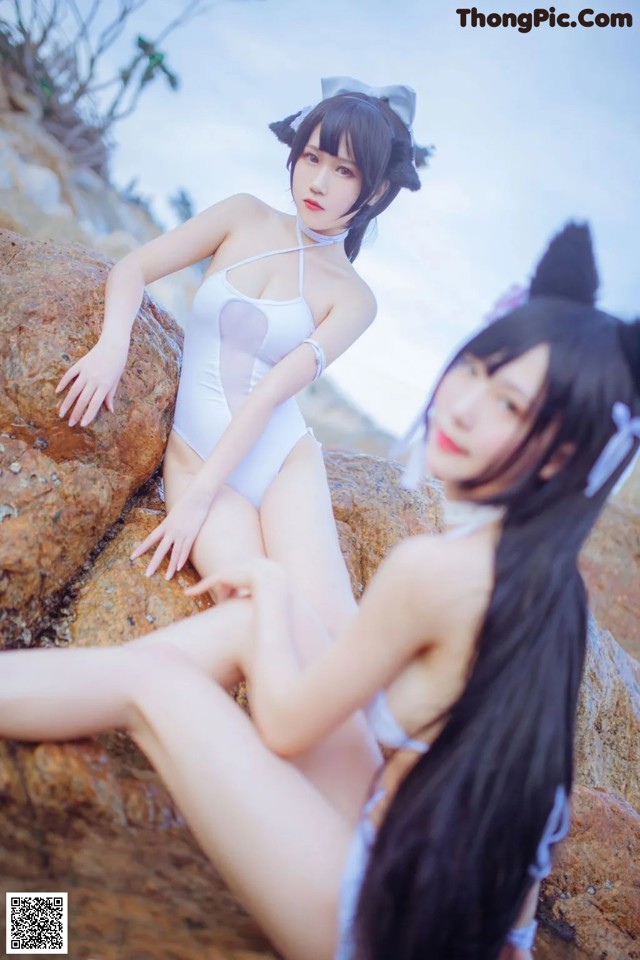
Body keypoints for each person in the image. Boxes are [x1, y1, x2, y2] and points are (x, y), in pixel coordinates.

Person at [4, 223, 639, 960]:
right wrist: (517, 941)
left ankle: (30, 924)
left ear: (568, 451)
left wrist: (272, 589)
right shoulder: (552, 591)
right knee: (248, 633)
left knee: (159, 687)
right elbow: (536, 799)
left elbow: (284, 726)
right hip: (415, 868)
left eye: (512, 407)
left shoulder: (439, 571)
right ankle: (54, 687)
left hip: (375, 921)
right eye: (479, 370)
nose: (464, 406)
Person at [54, 76, 427, 637]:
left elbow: (273, 392)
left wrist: (196, 501)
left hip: (283, 462)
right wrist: (113, 346)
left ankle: (386, 728)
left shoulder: (354, 298)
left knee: (333, 626)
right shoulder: (243, 215)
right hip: (197, 457)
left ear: (373, 192)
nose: (319, 181)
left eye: (344, 171)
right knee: (253, 612)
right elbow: (133, 268)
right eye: (312, 157)